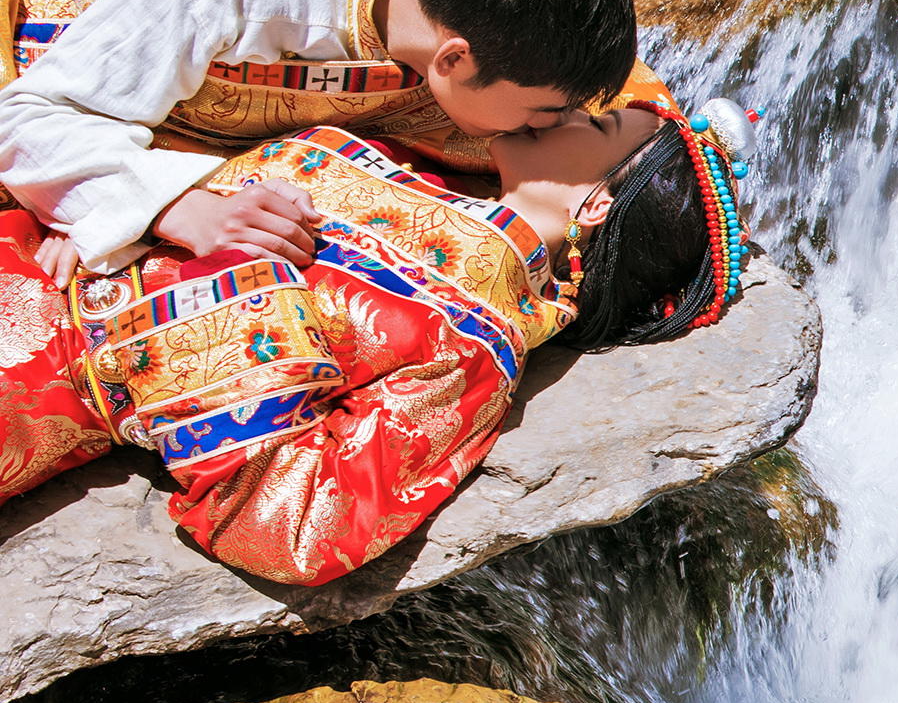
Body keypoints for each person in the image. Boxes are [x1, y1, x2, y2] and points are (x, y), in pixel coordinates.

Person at [0, 92, 752, 587]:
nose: (566, 106)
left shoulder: (475, 338)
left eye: (594, 125)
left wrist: (222, 291)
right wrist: (124, 209)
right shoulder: (421, 145)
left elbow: (299, 528)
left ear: (595, 204)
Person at [0, 0, 643, 288]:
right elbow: (25, 119)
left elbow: (647, 113)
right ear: (452, 61)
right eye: (543, 113)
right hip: (108, 64)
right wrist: (177, 208)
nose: (560, 126)